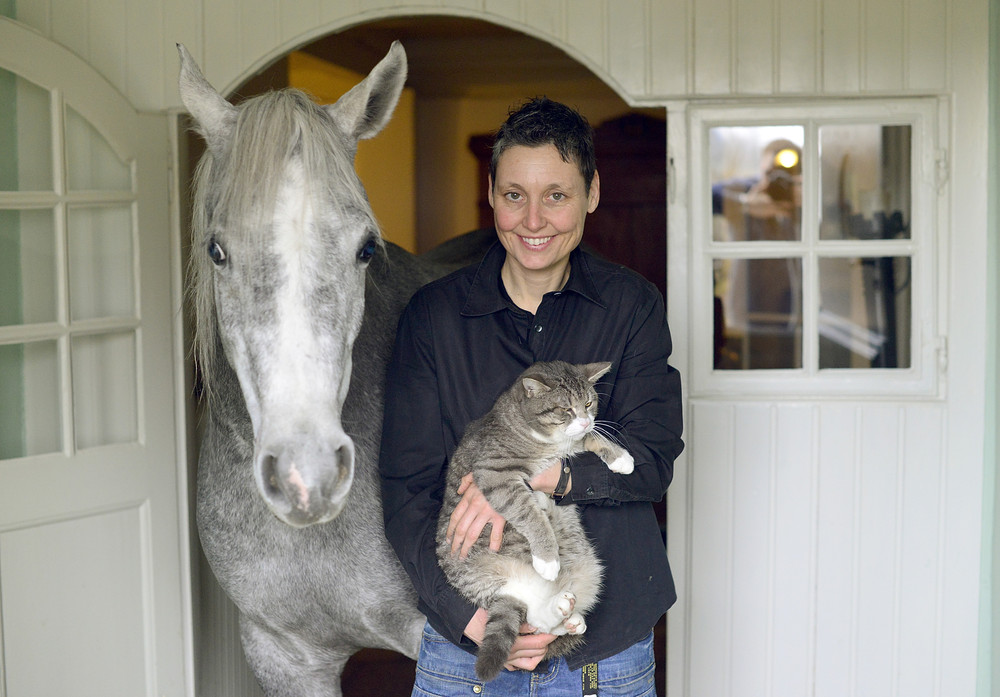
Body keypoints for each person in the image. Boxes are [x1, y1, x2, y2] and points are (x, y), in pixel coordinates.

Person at [379, 97, 684, 696]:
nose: (533, 220)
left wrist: (540, 477)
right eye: (515, 195)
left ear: (592, 193)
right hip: (466, 642)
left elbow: (651, 460)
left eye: (557, 195)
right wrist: (471, 620)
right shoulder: (432, 318)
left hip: (605, 648)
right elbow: (403, 489)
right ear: (491, 194)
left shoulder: (633, 306)